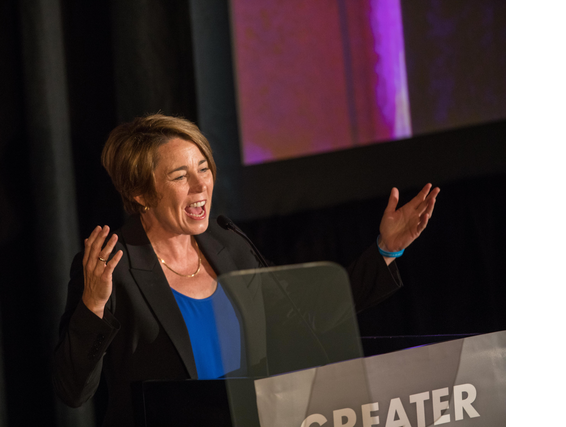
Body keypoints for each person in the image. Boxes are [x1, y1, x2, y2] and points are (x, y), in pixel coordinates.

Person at [53, 114, 439, 426]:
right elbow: (73, 392)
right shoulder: (113, 266)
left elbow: (302, 314)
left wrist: (387, 249)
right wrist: (93, 305)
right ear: (140, 193)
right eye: (179, 176)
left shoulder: (228, 245)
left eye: (203, 169)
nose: (200, 186)